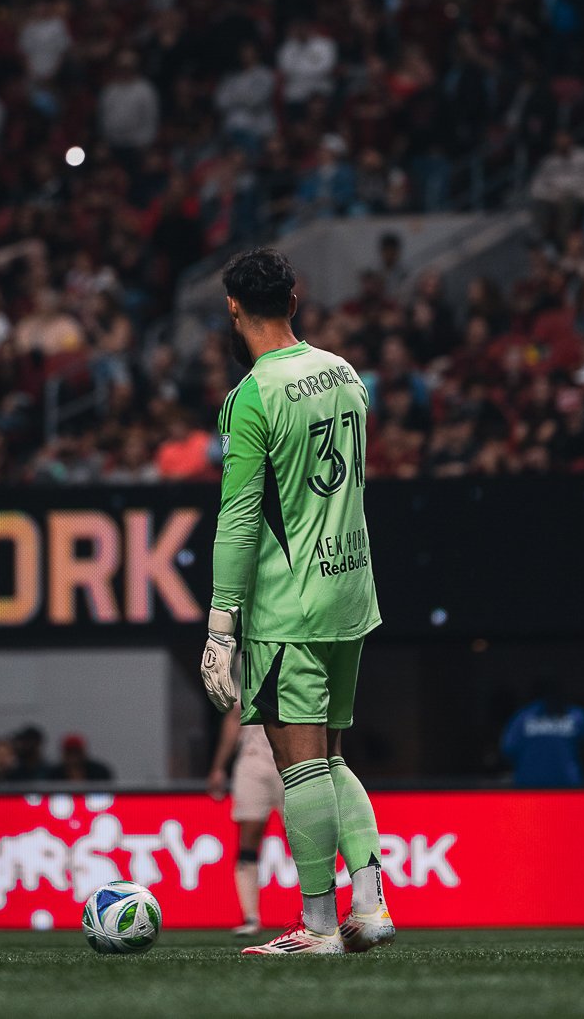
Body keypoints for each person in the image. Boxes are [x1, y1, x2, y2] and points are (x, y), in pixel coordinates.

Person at [200, 246, 392, 957]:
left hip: (290, 605)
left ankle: (319, 927)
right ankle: (369, 907)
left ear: (233, 309)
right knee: (332, 758)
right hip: (351, 589)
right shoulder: (345, 373)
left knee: (300, 765)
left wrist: (221, 625)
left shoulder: (253, 395)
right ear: (294, 299)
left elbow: (239, 518)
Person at [208, 699, 284, 936]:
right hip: (253, 759)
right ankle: (251, 916)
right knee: (248, 841)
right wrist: (219, 767)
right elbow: (234, 718)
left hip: (291, 760)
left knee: (303, 839)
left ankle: (317, 914)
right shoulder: (243, 677)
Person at [501, 684, 584, 788]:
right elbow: (508, 750)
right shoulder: (523, 717)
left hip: (567, 787)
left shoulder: (577, 715)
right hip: (530, 787)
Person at [49, 734, 114, 782]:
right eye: (70, 752)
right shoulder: (54, 774)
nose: (73, 757)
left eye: (76, 752)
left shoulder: (99, 772)